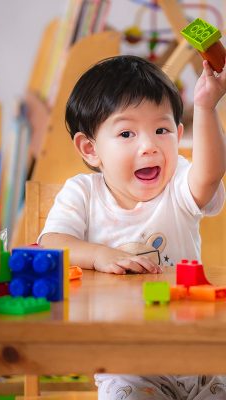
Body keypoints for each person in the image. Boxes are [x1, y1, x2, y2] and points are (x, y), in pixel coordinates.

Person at [39, 55, 226, 398]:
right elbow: (52, 242)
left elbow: (210, 175)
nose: (149, 145)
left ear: (179, 134)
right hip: (126, 364)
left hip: (199, 356)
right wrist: (99, 254)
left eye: (162, 130)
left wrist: (206, 106)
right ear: (90, 149)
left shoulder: (180, 183)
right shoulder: (83, 192)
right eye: (126, 133)